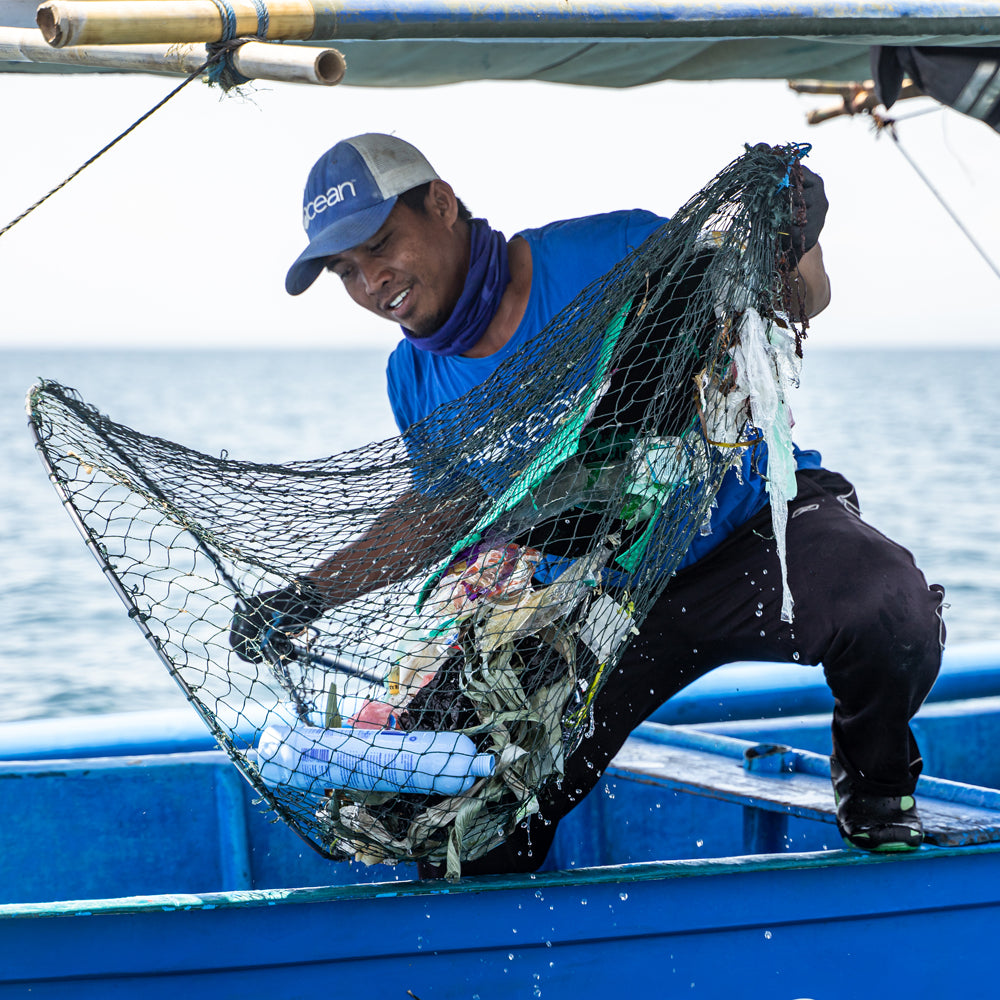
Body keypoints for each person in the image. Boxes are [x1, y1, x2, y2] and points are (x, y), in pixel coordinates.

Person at [232, 133, 945, 870]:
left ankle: (876, 789)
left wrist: (796, 239)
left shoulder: (614, 251)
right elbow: (441, 511)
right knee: (472, 822)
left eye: (381, 246)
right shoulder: (412, 378)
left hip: (746, 530)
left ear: (440, 204)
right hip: (595, 602)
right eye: (346, 271)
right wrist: (311, 594)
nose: (372, 281)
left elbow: (794, 298)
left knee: (890, 609)